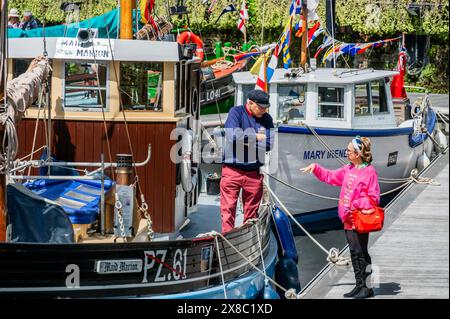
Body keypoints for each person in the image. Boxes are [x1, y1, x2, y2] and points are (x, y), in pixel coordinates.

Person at [301, 136, 380, 299]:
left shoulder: (369, 171)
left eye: (349, 151)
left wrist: (356, 204)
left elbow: (374, 197)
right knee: (353, 251)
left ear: (358, 154)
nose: (347, 152)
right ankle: (359, 285)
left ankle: (368, 287)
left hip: (360, 218)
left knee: (361, 251)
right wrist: (316, 168)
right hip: (348, 219)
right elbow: (331, 176)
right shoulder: (348, 169)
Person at [220, 89, 274, 233]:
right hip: (232, 171)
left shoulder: (267, 119)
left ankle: (248, 237)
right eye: (261, 107)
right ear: (250, 103)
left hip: (253, 174)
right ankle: (227, 239)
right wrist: (256, 137)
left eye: (265, 107)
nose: (264, 110)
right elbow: (232, 136)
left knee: (251, 214)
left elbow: (268, 144)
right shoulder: (235, 113)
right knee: (228, 210)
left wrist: (243, 140)